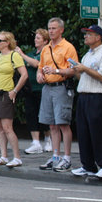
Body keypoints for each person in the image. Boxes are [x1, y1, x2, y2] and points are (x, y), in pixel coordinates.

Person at [70, 25, 102, 178]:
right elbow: (83, 77)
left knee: (98, 131)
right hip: (84, 95)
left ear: (98, 37)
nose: (85, 37)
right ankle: (88, 165)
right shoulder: (87, 55)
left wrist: (84, 69)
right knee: (84, 132)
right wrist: (78, 71)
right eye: (85, 34)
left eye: (89, 34)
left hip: (98, 96)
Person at [37, 17, 79, 172]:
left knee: (63, 123)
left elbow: (74, 69)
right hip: (47, 87)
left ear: (61, 30)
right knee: (52, 124)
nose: (51, 31)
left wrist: (56, 71)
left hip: (61, 87)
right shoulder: (46, 48)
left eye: (54, 28)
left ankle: (67, 157)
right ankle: (55, 156)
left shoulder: (68, 47)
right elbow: (40, 67)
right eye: (49, 28)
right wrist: (39, 75)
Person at [0, 31, 28, 168]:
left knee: (7, 127)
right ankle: (3, 155)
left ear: (7, 42)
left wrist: (14, 91)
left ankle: (17, 157)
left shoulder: (14, 55)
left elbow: (24, 75)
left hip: (6, 92)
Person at [15, 28, 51, 154]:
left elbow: (36, 64)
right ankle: (35, 142)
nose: (35, 40)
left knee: (44, 115)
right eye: (35, 37)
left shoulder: (46, 52)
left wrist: (22, 54)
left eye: (38, 38)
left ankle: (48, 139)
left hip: (42, 88)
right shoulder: (32, 53)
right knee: (31, 114)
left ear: (45, 41)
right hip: (30, 88)